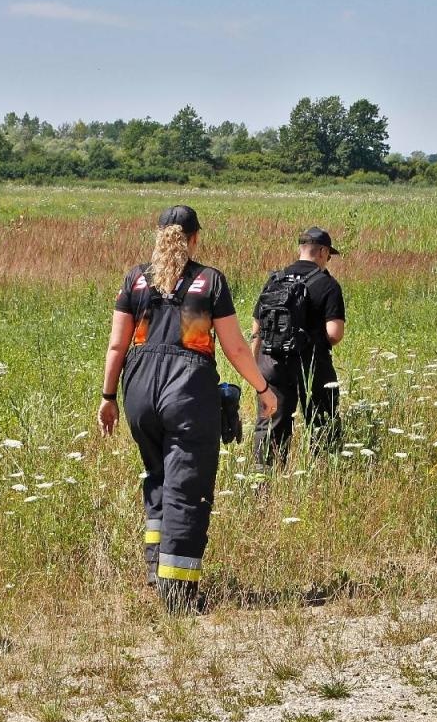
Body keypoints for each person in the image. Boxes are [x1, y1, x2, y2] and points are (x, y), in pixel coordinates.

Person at [98, 206, 277, 612]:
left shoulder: (135, 278)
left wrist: (108, 398)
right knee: (187, 488)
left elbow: (116, 346)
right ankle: (177, 594)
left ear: (159, 235)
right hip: (187, 389)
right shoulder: (208, 280)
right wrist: (264, 389)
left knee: (159, 478)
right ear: (195, 238)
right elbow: (233, 347)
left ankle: (154, 569)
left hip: (138, 390)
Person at [251, 227, 347, 467]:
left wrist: (255, 370)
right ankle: (324, 474)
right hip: (312, 366)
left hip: (271, 364)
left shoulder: (275, 280)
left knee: (272, 424)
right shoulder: (328, 285)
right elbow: (334, 334)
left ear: (300, 249)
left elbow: (256, 330)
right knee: (322, 421)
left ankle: (263, 482)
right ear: (323, 252)